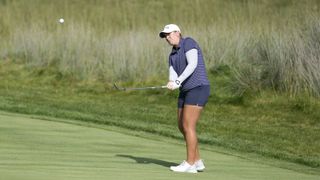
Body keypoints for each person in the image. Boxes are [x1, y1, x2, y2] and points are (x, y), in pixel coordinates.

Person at [159, 24, 210, 173]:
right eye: (165, 36)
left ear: (178, 33)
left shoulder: (189, 42)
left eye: (169, 34)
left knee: (188, 125)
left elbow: (192, 64)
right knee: (182, 126)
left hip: (198, 87)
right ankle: (198, 161)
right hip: (185, 90)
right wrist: (172, 82)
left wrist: (178, 81)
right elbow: (173, 73)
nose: (167, 38)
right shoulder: (172, 55)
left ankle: (190, 163)